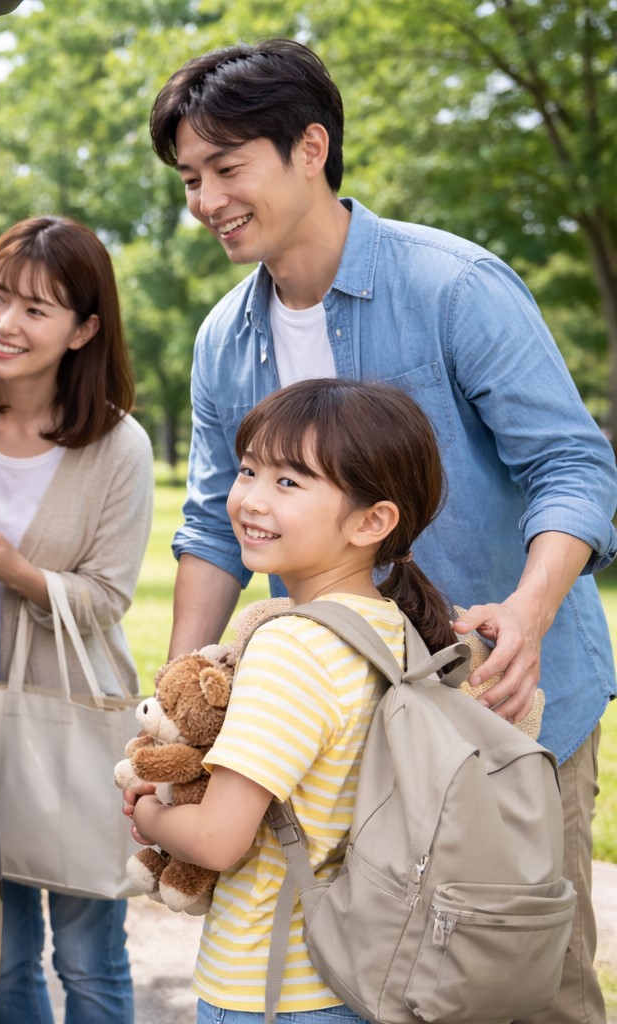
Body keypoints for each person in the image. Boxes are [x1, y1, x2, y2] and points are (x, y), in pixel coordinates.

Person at [151, 38, 617, 1024]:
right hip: (348, 723)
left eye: (226, 168)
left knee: (521, 975)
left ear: (310, 147)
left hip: (506, 706)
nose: (204, 200)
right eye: (191, 177)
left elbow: (574, 468)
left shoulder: (456, 287)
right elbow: (210, 524)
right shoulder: (221, 340)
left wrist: (528, 616)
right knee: (380, 968)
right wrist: (181, 699)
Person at [127, 378, 454, 1023]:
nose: (249, 498)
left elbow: (219, 839)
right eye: (249, 469)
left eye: (289, 482)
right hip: (362, 976)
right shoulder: (395, 630)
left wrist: (149, 814)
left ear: (373, 521)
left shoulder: (293, 648)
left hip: (269, 990)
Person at [0, 215, 153, 1024]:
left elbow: (109, 599)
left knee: (90, 959)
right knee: (4, 958)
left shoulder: (119, 446)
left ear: (85, 329)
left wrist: (17, 574)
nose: (5, 323)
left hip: (69, 724)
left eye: (36, 308)